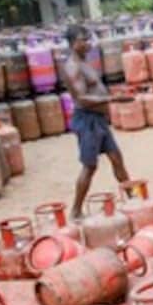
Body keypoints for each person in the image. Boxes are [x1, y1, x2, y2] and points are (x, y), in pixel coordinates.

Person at [60, 24, 131, 221]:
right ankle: (75, 210)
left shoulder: (84, 62)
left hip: (98, 120)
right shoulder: (72, 67)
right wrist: (112, 99)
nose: (89, 44)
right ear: (74, 43)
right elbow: (81, 98)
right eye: (85, 40)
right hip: (87, 120)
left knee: (117, 158)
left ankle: (132, 198)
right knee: (90, 166)